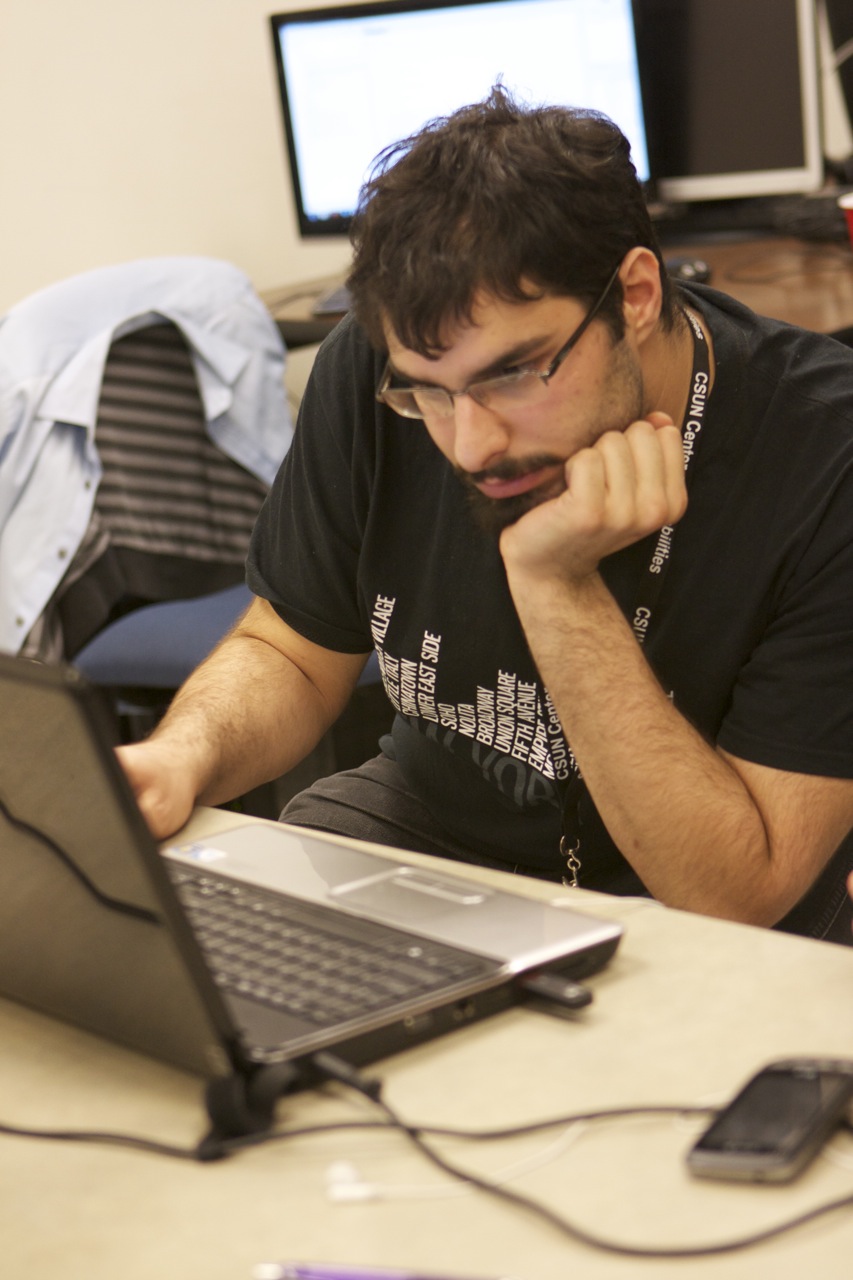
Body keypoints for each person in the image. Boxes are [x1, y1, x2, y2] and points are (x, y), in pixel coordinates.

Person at [119, 87, 853, 943]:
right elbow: (291, 649)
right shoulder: (374, 369)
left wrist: (556, 583)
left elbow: (738, 894)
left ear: (635, 295)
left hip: (705, 889)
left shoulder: (824, 453)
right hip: (436, 829)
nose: (471, 446)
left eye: (513, 373)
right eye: (427, 394)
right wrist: (182, 756)